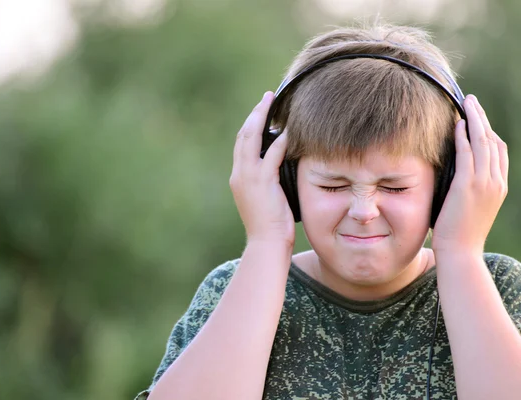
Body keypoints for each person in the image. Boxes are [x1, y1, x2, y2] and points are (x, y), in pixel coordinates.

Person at [135, 23, 521, 400]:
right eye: (333, 186)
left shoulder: (501, 286)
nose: (363, 210)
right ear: (285, 179)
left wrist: (460, 253)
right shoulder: (236, 287)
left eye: (394, 186)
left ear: (448, 182)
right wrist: (267, 241)